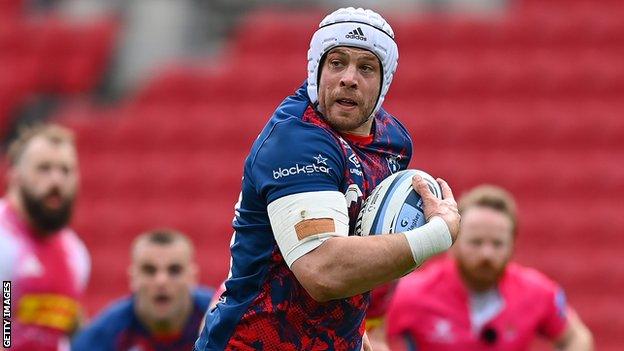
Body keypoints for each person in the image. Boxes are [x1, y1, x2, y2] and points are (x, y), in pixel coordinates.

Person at [195, 7, 461, 351]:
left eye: (366, 67)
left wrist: (356, 335)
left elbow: (362, 239)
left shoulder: (393, 143)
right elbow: (322, 271)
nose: (349, 77)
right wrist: (439, 233)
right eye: (337, 63)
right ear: (316, 70)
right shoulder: (297, 140)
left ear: (384, 82)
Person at [386, 185, 594, 350]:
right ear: (453, 242)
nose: (487, 254)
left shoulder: (538, 292)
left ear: (513, 245)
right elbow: (370, 334)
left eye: (497, 244)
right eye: (476, 242)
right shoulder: (413, 292)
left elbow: (576, 338)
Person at [0, 123, 90, 351]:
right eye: (44, 169)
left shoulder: (76, 254)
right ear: (15, 174)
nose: (56, 181)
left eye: (65, 170)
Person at [71, 229, 213, 351]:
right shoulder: (103, 336)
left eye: (174, 270)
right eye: (149, 270)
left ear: (192, 277)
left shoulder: (222, 319)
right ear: (133, 278)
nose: (161, 281)